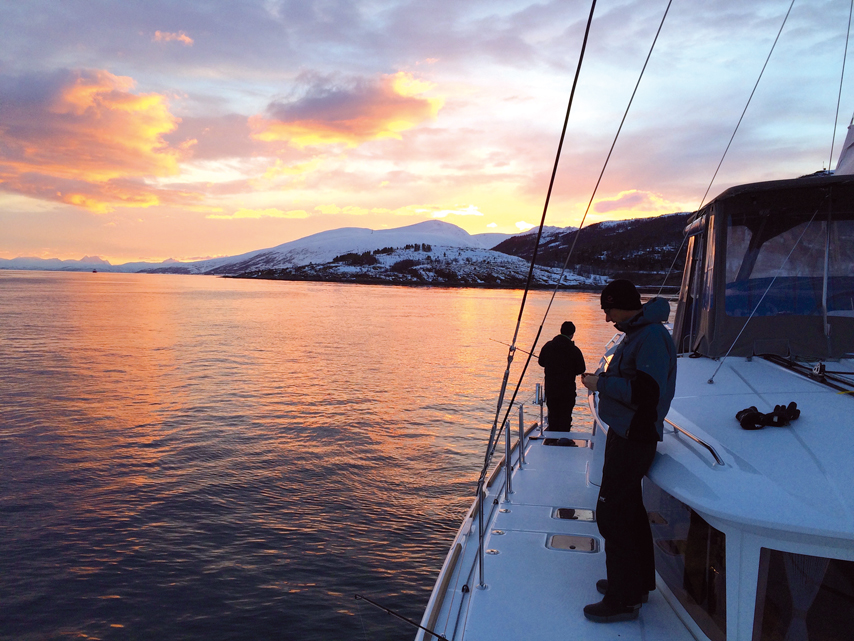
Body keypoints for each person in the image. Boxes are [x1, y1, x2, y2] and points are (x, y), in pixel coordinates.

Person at [580, 279, 677, 623]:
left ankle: (622, 601)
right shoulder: (640, 332)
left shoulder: (649, 336)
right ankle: (636, 585)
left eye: (607, 309)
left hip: (634, 437)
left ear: (620, 305)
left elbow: (646, 392)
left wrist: (599, 383)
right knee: (631, 511)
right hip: (626, 435)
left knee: (612, 515)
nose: (606, 318)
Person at [537, 321, 586, 432]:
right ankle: (563, 439)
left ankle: (552, 439)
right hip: (567, 390)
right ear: (572, 334)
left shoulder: (548, 346)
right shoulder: (574, 350)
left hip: (551, 389)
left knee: (553, 414)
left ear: (561, 330)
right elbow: (581, 369)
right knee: (565, 416)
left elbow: (541, 362)